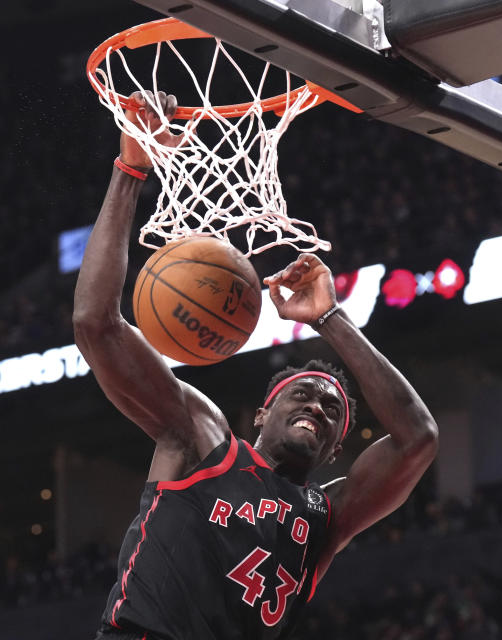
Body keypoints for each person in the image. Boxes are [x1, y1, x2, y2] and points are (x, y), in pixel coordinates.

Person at [73, 90, 439, 640]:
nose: (317, 406)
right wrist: (129, 170)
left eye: (332, 410)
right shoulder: (201, 440)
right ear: (262, 414)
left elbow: (418, 438)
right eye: (303, 395)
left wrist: (331, 318)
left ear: (337, 447)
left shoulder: (325, 516)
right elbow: (95, 324)